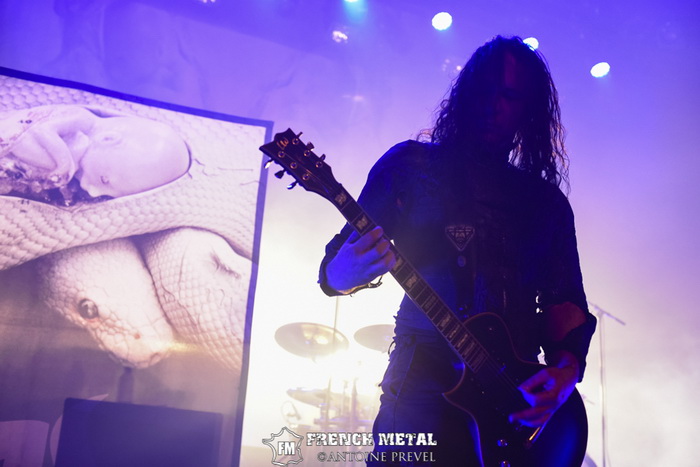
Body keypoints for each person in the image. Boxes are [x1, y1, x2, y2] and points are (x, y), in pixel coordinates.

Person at [319, 36, 596, 466]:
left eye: (509, 97)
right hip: (420, 389)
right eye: (485, 91)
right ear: (466, 94)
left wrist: (565, 371)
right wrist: (342, 274)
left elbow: (566, 302)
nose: (493, 106)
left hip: (517, 402)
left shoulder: (545, 204)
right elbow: (335, 268)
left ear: (528, 111)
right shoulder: (409, 169)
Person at [0, 105, 190, 203]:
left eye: (108, 196)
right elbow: (40, 130)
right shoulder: (82, 118)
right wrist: (64, 163)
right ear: (107, 139)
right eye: (103, 180)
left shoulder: (81, 149)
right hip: (16, 136)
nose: (93, 192)